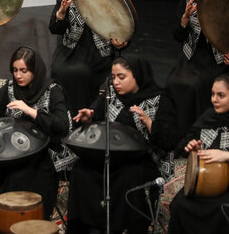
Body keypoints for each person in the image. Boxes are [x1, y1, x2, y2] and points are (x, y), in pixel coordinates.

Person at [0, 46, 72, 234]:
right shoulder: (9, 88)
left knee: (18, 176)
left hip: (42, 152)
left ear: (35, 70)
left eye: (24, 71)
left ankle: (17, 223)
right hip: (11, 151)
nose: (18, 76)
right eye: (15, 70)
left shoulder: (52, 90)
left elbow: (61, 125)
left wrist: (31, 111)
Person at [68, 57, 165, 233]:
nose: (116, 82)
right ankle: (89, 226)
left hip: (139, 161)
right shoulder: (110, 94)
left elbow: (167, 141)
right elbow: (97, 117)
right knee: (80, 170)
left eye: (121, 77)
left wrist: (148, 121)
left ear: (137, 76)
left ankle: (120, 228)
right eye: (113, 77)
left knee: (128, 177)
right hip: (109, 156)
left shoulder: (158, 99)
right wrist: (89, 118)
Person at [168, 73, 229, 234]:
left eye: (221, 95)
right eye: (212, 94)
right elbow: (184, 144)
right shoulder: (208, 116)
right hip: (203, 183)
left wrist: (228, 156)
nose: (214, 100)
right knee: (179, 205)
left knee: (224, 211)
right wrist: (190, 145)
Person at [166, 0, 229, 137]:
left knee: (197, 85)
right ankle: (178, 136)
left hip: (217, 60)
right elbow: (178, 35)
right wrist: (184, 19)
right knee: (174, 82)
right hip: (191, 55)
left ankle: (198, 135)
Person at [49, 0, 126, 116]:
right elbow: (54, 28)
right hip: (70, 49)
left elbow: (123, 29)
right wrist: (61, 13)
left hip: (99, 52)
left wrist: (120, 44)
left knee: (80, 72)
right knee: (59, 69)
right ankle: (63, 117)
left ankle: (83, 118)